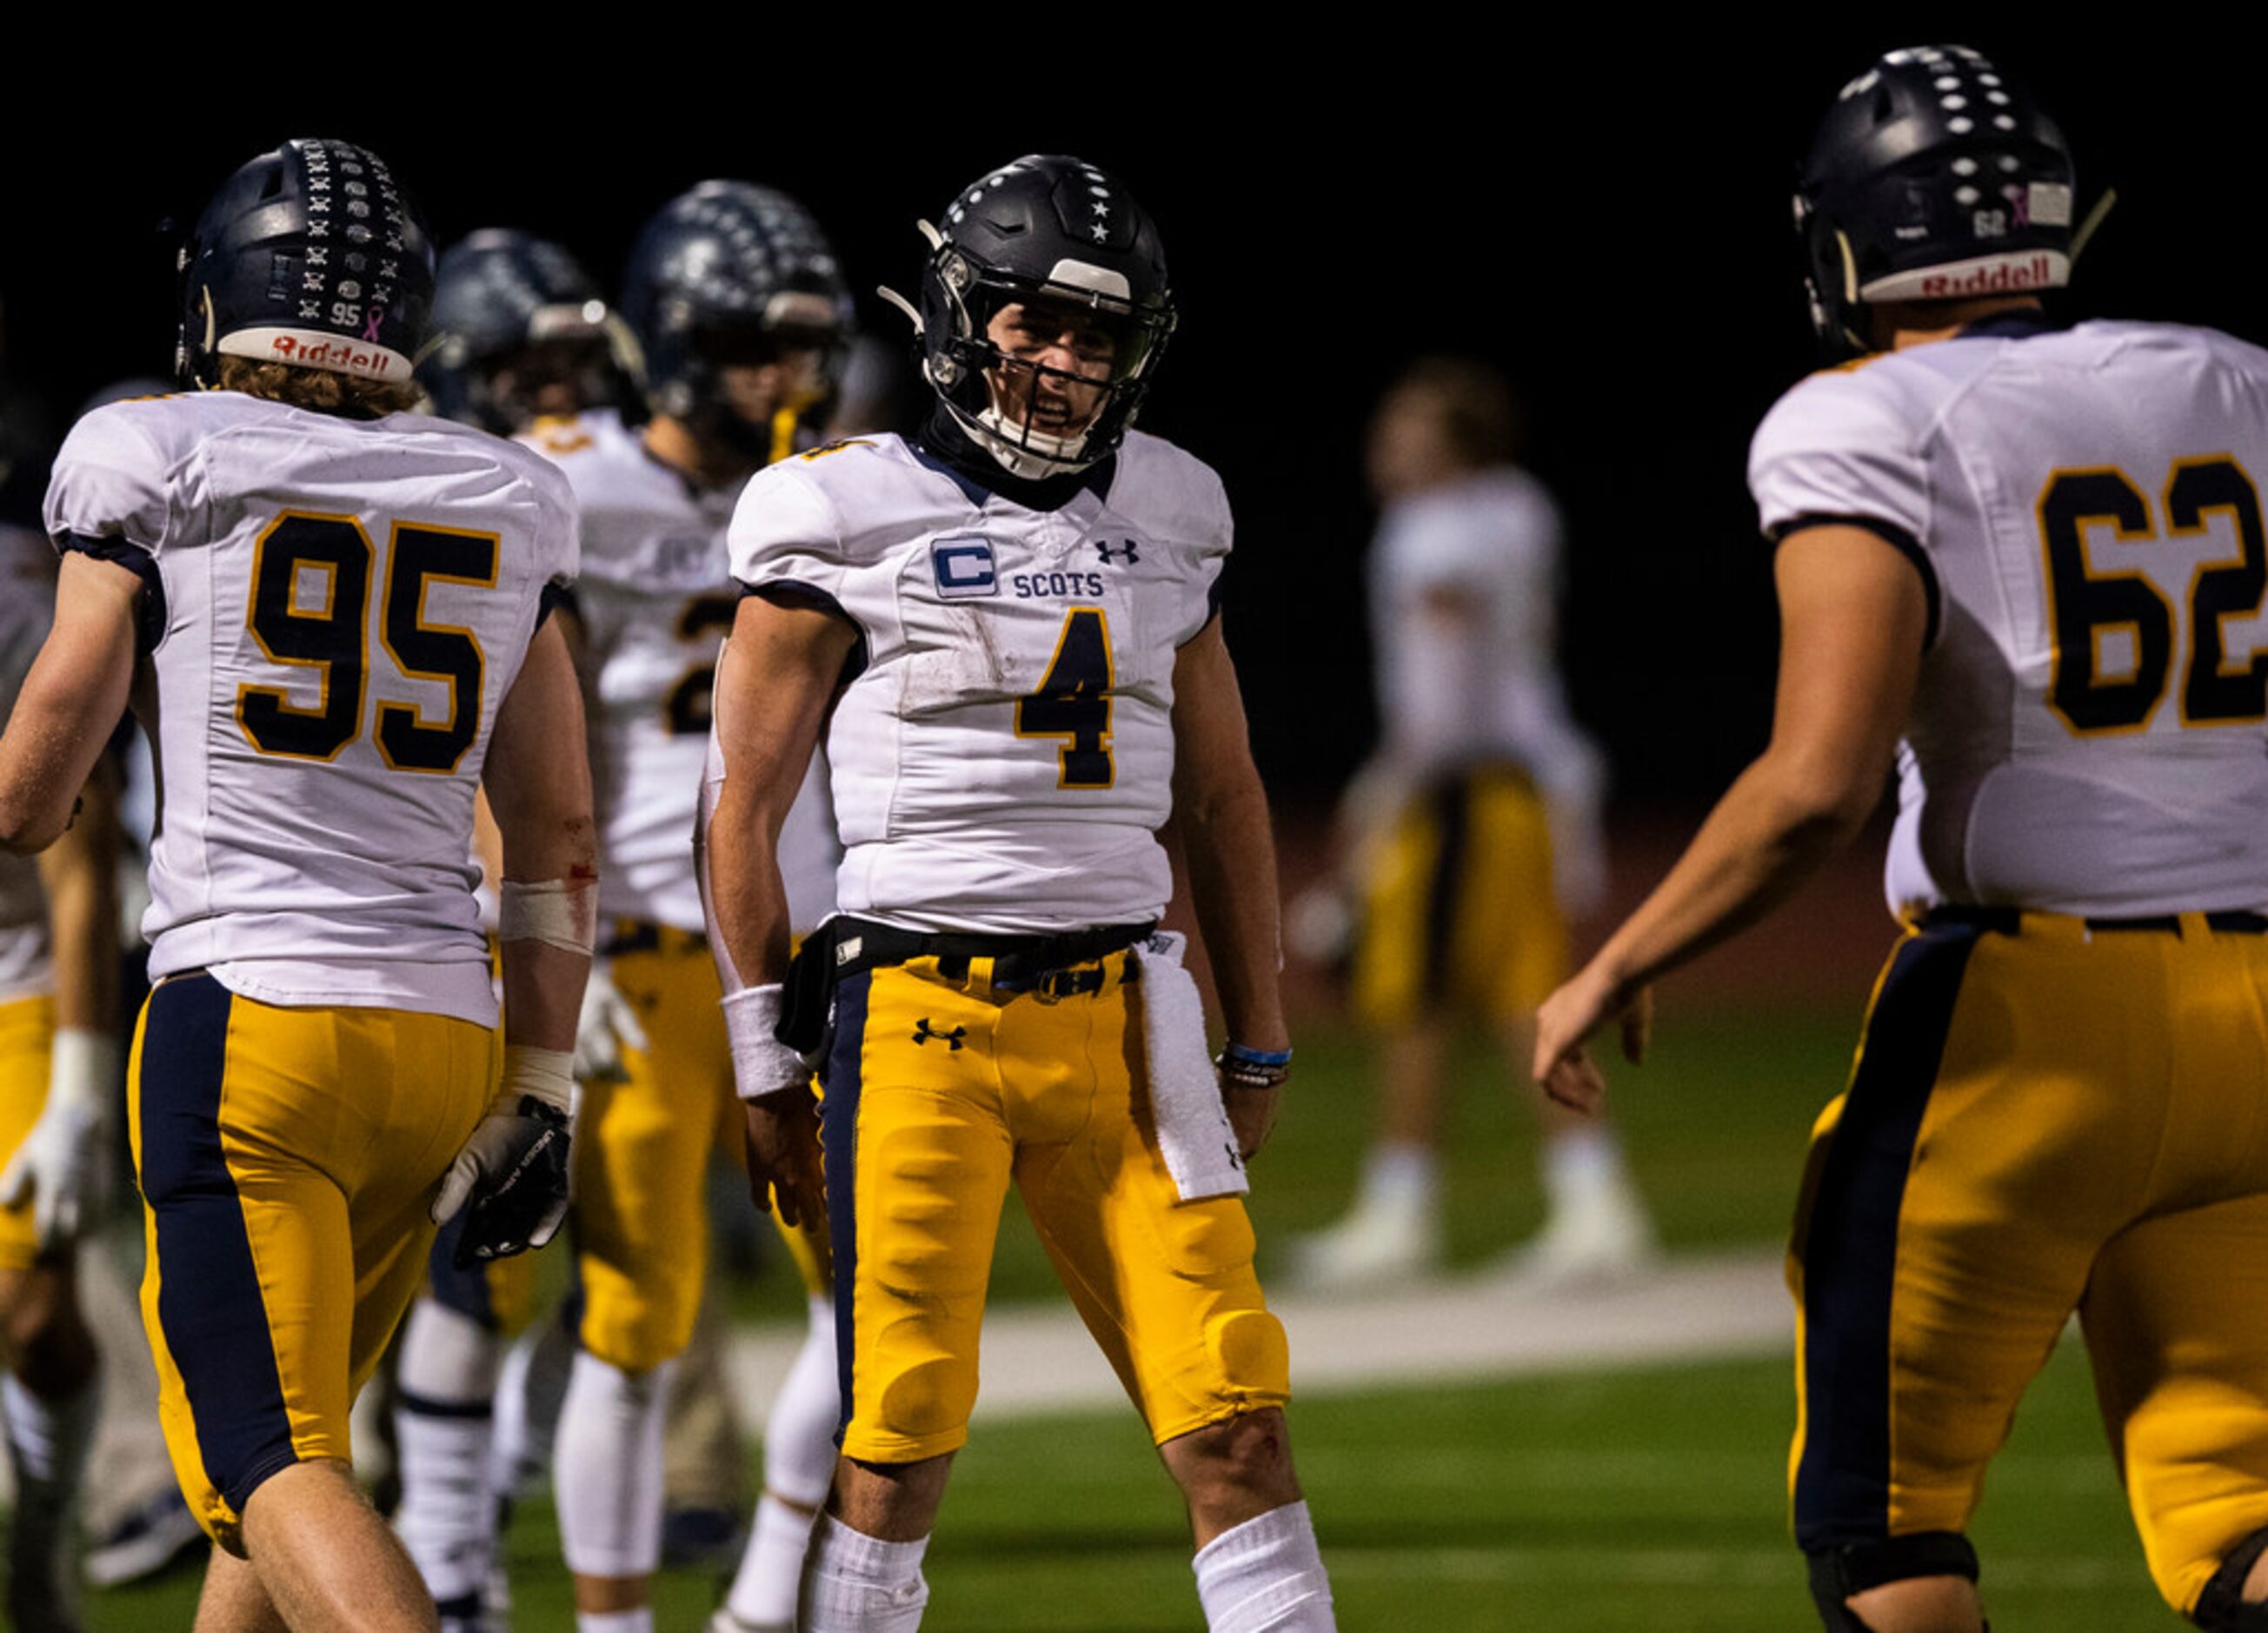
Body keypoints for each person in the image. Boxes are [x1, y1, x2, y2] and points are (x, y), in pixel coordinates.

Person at [1533, 45, 2268, 1633]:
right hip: (2262, 1011)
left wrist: (1617, 957)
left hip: (2036, 1018)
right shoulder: (2234, 375)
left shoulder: (1864, 416)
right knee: (2237, 1514)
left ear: (1850, 244)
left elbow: (1814, 783)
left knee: (1887, 1535)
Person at [701, 153, 1335, 1632]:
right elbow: (742, 800)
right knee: (899, 1429)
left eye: (1095, 337)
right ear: (954, 314)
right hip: (916, 1014)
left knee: (1235, 1416)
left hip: (1126, 1017)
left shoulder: (1172, 507)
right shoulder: (838, 507)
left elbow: (1222, 794)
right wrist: (760, 1055)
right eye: (1030, 323)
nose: (1059, 364)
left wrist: (1257, 1031)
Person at [0, 137, 592, 1631]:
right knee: (273, 1480)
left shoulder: (154, 449)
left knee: (270, 1458)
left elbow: (28, 795)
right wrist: (542, 1076)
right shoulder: (507, 488)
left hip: (252, 1022)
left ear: (219, 300)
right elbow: (558, 827)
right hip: (441, 1038)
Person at [529, 178, 849, 1633]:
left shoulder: (836, 491)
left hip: (816, 957)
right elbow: (488, 732)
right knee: (632, 1325)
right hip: (643, 956)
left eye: (798, 349)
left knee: (876, 1304)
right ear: (667, 339)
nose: (783, 380)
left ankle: (761, 1601)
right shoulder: (560, 486)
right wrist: (530, 921)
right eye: (748, 349)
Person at [1287, 356, 1653, 1292]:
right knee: (1517, 991)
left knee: (1414, 996)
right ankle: (1590, 1199)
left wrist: (1384, 794)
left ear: (1455, 442)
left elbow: (1442, 687)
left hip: (1458, 789)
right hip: (1529, 786)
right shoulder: (1517, 509)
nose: (1386, 443)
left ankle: (1401, 1210)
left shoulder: (1434, 529)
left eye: (1410, 427)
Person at [390, 226, 630, 1633]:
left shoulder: (529, 492)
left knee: (607, 1259)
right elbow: (486, 767)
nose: (561, 398)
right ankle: (449, 1550)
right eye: (529, 370)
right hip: (460, 928)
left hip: (550, 911)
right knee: (473, 1251)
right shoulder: (478, 503)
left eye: (567, 367)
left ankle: (465, 1522)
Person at [0, 518, 120, 1631]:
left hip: (15, 981)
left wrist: (82, 1082)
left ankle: (40, 1536)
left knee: (32, 1315)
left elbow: (81, 861)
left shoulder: (17, 586)